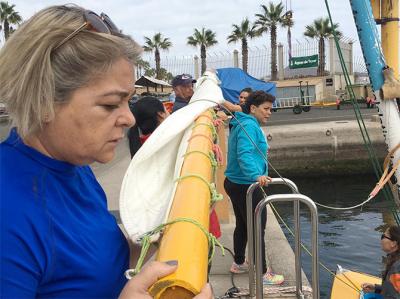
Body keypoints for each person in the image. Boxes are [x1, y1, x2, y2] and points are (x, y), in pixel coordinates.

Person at [0, 5, 212, 299]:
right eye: (111, 104)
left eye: (129, 101)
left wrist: (172, 229)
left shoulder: (75, 167)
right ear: (44, 100)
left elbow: (96, 256)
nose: (129, 118)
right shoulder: (7, 214)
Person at [224, 90, 284, 285]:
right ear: (253, 108)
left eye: (270, 109)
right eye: (266, 109)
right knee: (258, 227)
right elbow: (244, 154)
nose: (269, 113)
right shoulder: (249, 125)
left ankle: (239, 262)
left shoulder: (241, 121)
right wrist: (255, 175)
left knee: (243, 225)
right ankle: (263, 273)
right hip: (245, 185)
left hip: (234, 182)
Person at [362, 226, 400, 298]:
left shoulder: (396, 268)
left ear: (393, 244)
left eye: (383, 236)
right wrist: (376, 288)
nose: (381, 239)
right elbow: (394, 290)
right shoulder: (394, 259)